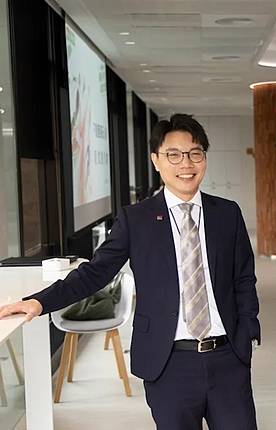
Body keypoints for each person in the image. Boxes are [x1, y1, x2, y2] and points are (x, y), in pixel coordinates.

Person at [0, 114, 260, 430]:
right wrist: (39, 302)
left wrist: (247, 332)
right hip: (168, 362)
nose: (186, 163)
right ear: (156, 160)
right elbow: (95, 273)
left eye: (195, 153)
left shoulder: (227, 213)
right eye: (174, 155)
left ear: (204, 158)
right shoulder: (136, 219)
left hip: (227, 357)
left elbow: (243, 278)